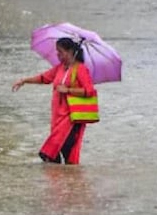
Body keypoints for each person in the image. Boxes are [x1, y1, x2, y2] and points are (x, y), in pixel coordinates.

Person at [12, 37, 97, 165]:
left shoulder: (80, 69)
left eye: (60, 52)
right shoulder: (60, 68)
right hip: (58, 117)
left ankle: (66, 176)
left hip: (71, 118)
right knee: (56, 152)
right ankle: (62, 176)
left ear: (70, 52)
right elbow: (44, 78)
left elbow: (89, 91)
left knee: (57, 152)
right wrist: (24, 80)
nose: (58, 55)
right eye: (57, 52)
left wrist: (68, 90)